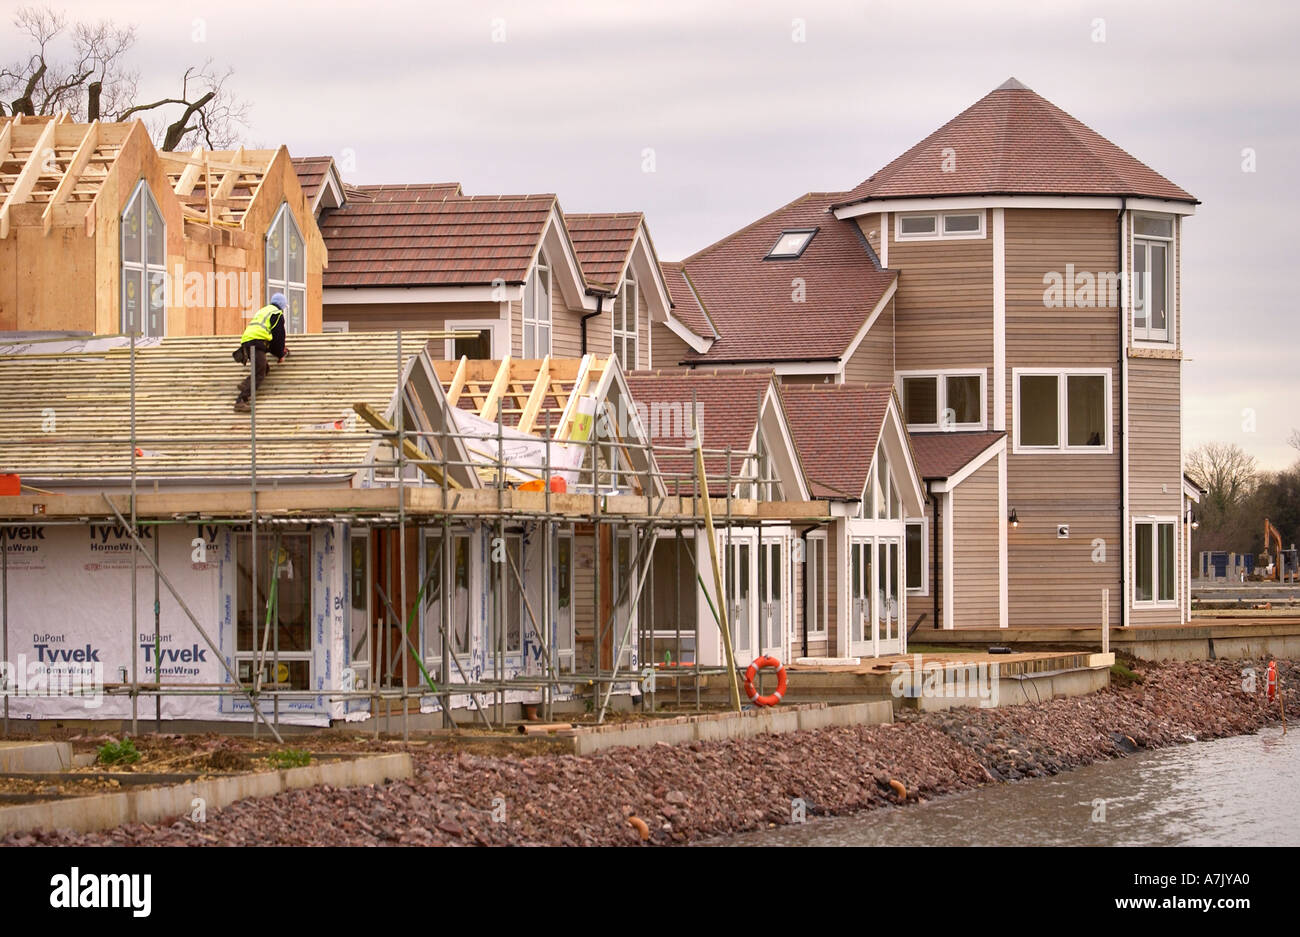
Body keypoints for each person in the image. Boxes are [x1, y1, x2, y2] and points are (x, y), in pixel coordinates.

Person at [233, 293, 288, 412]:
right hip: (256, 342)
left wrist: (277, 350)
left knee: (263, 368)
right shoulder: (277, 314)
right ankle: (241, 400)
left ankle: (246, 384)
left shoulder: (263, 310)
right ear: (282, 305)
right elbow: (278, 337)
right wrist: (280, 354)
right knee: (260, 373)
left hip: (247, 341)